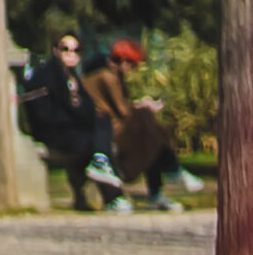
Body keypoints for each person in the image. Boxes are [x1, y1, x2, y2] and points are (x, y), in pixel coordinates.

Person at [84, 40, 202, 209]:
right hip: (109, 132)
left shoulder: (104, 73)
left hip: (112, 127)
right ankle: (171, 172)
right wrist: (143, 106)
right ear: (124, 61)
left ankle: (166, 181)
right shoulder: (107, 77)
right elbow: (123, 112)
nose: (133, 71)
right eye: (133, 66)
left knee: (152, 135)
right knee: (150, 126)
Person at [21, 33, 129, 212]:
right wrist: (76, 115)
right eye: (65, 49)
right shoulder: (46, 76)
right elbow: (44, 114)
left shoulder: (74, 77)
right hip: (55, 131)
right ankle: (112, 196)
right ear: (56, 51)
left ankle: (101, 166)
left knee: (102, 125)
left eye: (76, 50)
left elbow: (86, 108)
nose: (71, 54)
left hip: (76, 129)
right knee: (92, 145)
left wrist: (83, 114)